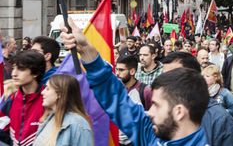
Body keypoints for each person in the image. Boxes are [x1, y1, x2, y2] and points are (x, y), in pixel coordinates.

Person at [60, 22, 210, 145]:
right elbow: (116, 99)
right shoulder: (151, 136)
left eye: (157, 105)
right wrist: (86, 49)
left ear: (179, 112)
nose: (149, 112)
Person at [160, 52, 233, 146]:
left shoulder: (220, 119)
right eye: (163, 75)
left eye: (171, 76)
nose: (164, 81)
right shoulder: (160, 112)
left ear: (192, 77)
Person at [0, 50, 46, 146]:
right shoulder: (11, 98)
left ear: (35, 73)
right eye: (13, 68)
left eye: (21, 69)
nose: (14, 74)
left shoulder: (48, 98)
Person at [33, 74, 93, 146]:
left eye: (47, 88)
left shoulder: (78, 124)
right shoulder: (49, 119)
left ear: (60, 93)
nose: (42, 92)